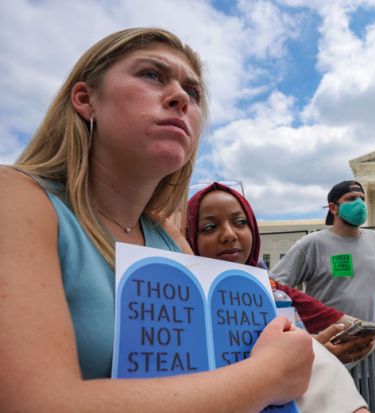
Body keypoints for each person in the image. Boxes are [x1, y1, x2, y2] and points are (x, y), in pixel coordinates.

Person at [0, 28, 313, 412]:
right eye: (152, 75)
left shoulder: (167, 237)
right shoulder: (16, 198)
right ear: (85, 99)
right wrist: (267, 377)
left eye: (194, 93)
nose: (181, 97)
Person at [186, 182, 375, 364]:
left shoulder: (271, 291)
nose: (229, 234)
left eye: (241, 222)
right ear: (190, 237)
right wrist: (308, 355)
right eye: (209, 227)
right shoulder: (181, 303)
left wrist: (370, 330)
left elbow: (322, 313)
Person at [271, 180, 375, 341]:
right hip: (332, 346)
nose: (359, 203)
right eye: (351, 198)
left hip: (371, 344)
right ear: (333, 208)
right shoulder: (312, 244)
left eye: (362, 198)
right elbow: (274, 287)